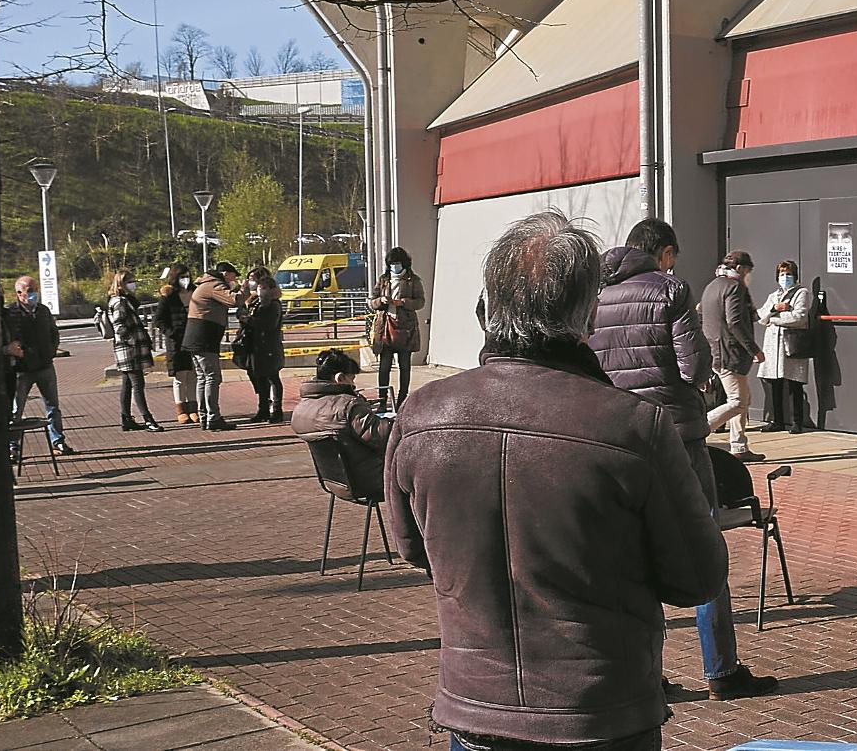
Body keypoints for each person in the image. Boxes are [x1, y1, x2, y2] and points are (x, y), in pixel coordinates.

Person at [385, 211, 729, 751]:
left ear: (488, 309)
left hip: (477, 707)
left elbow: (412, 548)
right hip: (598, 710)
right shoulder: (633, 426)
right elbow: (697, 577)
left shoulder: (421, 415)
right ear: (588, 313)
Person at [590, 218, 779, 701]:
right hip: (674, 433)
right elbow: (694, 365)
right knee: (703, 545)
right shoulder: (669, 290)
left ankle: (646, 675)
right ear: (665, 253)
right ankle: (721, 670)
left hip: (614, 434)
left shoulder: (595, 292)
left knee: (630, 555)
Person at [291, 348, 392, 493]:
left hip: (334, 481)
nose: (353, 384)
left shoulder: (302, 408)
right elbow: (384, 438)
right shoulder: (348, 406)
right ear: (340, 378)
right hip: (370, 480)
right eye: (352, 379)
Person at [703, 250, 766, 462]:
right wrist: (753, 349)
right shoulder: (734, 287)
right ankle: (700, 428)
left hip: (716, 351)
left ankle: (739, 445)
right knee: (738, 401)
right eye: (747, 270)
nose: (748, 275)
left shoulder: (712, 286)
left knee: (743, 398)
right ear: (739, 268)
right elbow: (735, 322)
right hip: (730, 353)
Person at [4, 275, 74, 455]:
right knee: (15, 410)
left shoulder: (43, 311)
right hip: (21, 369)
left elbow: (53, 333)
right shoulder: (10, 313)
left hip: (45, 366)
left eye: (36, 289)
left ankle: (57, 441)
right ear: (19, 294)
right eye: (30, 290)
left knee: (53, 406)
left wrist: (50, 350)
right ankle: (13, 446)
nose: (34, 294)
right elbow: (6, 339)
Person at [182, 261, 250, 431]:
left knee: (203, 377)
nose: (234, 280)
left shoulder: (206, 284)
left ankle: (204, 416)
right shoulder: (214, 285)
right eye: (234, 277)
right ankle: (213, 417)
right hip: (205, 338)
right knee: (212, 377)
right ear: (226, 274)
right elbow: (234, 300)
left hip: (197, 338)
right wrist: (245, 289)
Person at [758, 260, 811, 435]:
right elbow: (760, 316)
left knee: (795, 383)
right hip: (774, 345)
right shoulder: (773, 295)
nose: (785, 277)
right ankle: (777, 420)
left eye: (788, 274)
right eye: (781, 274)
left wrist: (773, 320)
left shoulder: (801, 293)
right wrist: (775, 308)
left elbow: (799, 317)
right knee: (775, 384)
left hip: (791, 343)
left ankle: (797, 422)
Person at [369, 246, 425, 412]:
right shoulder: (383, 279)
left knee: (404, 366)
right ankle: (382, 400)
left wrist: (404, 303)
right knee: (384, 366)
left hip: (406, 328)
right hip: (385, 327)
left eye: (398, 263)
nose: (395, 266)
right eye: (392, 263)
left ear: (405, 263)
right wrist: (382, 301)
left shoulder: (413, 280)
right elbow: (372, 301)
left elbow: (420, 302)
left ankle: (402, 400)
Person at [107, 270, 163, 433]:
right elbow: (119, 325)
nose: (134, 284)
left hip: (127, 348)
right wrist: (131, 340)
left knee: (127, 383)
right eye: (130, 281)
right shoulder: (120, 302)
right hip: (129, 349)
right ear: (122, 283)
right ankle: (148, 419)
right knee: (138, 383)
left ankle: (126, 418)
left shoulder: (122, 300)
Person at [154, 263, 198, 424]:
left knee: (193, 374)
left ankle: (194, 408)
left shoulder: (195, 291)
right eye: (182, 277)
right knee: (180, 376)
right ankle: (181, 409)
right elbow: (158, 320)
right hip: (176, 341)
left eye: (187, 276)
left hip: (194, 338)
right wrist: (171, 333)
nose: (185, 280)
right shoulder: (169, 296)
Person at [238, 276, 286, 422]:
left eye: (264, 287)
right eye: (259, 287)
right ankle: (263, 409)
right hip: (255, 346)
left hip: (269, 346)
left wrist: (247, 319)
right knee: (259, 378)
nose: (260, 290)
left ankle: (277, 410)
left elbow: (268, 324)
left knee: (272, 377)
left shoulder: (274, 304)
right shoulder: (255, 302)